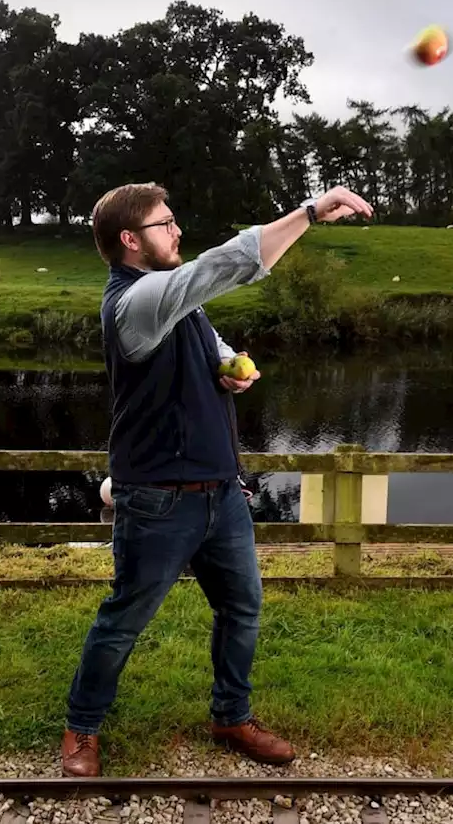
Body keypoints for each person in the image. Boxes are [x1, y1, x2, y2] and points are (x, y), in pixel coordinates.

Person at [61, 183, 374, 777]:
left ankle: (231, 716)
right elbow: (219, 267)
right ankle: (82, 728)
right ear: (130, 241)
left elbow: (211, 342)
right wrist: (309, 213)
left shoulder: (178, 303)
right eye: (164, 223)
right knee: (125, 618)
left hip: (221, 493)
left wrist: (233, 369)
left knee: (242, 609)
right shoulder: (135, 300)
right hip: (157, 497)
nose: (177, 231)